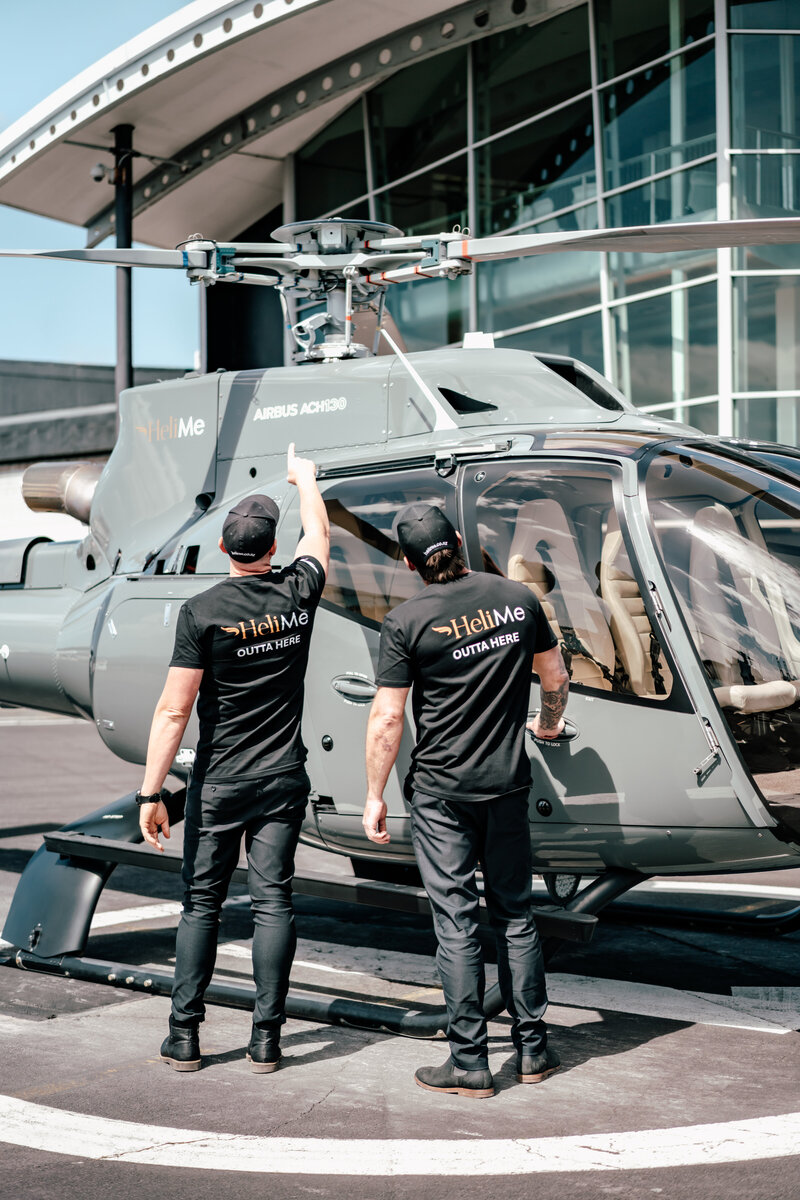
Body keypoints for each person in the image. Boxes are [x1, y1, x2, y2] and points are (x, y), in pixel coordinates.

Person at [362, 504, 569, 1099]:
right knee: (516, 916)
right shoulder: (517, 599)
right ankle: (532, 1050)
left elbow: (386, 719)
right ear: (457, 541)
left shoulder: (406, 621)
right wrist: (548, 726)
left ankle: (471, 1062)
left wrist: (374, 794)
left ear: (407, 562)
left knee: (456, 921)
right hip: (507, 784)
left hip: (442, 793)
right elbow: (554, 677)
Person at [137, 443, 329, 1074]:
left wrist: (151, 792)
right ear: (272, 547)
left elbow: (173, 711)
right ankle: (267, 1040)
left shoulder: (202, 612)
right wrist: (306, 482)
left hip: (219, 782)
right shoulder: (300, 592)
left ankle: (185, 1035)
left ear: (225, 549)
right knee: (274, 901)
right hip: (281, 778)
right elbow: (320, 538)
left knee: (202, 904)